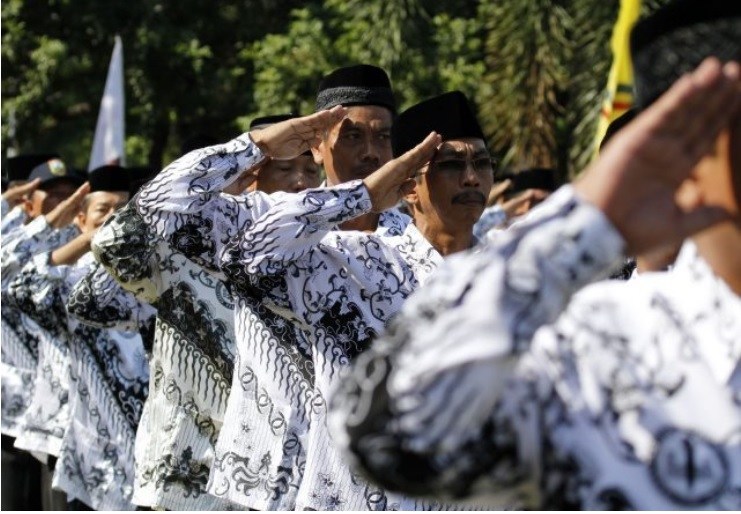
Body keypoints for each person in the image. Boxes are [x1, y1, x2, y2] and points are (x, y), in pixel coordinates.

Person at [327, 1, 741, 509]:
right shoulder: (604, 339)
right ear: (692, 161)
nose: (473, 179)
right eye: (454, 166)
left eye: (482, 163)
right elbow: (387, 433)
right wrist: (588, 216)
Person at [91, 114, 322, 510]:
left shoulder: (323, 258)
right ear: (249, 176)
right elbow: (112, 250)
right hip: (192, 477)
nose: (301, 182)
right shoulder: (186, 249)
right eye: (285, 168)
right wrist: (254, 146)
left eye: (310, 171)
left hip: (282, 480)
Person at [6, 165, 150, 510]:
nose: (114, 218)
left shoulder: (147, 277)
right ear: (80, 219)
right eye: (103, 210)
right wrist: (90, 238)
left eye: (122, 210)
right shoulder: (66, 281)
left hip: (137, 443)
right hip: (74, 443)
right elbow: (19, 287)